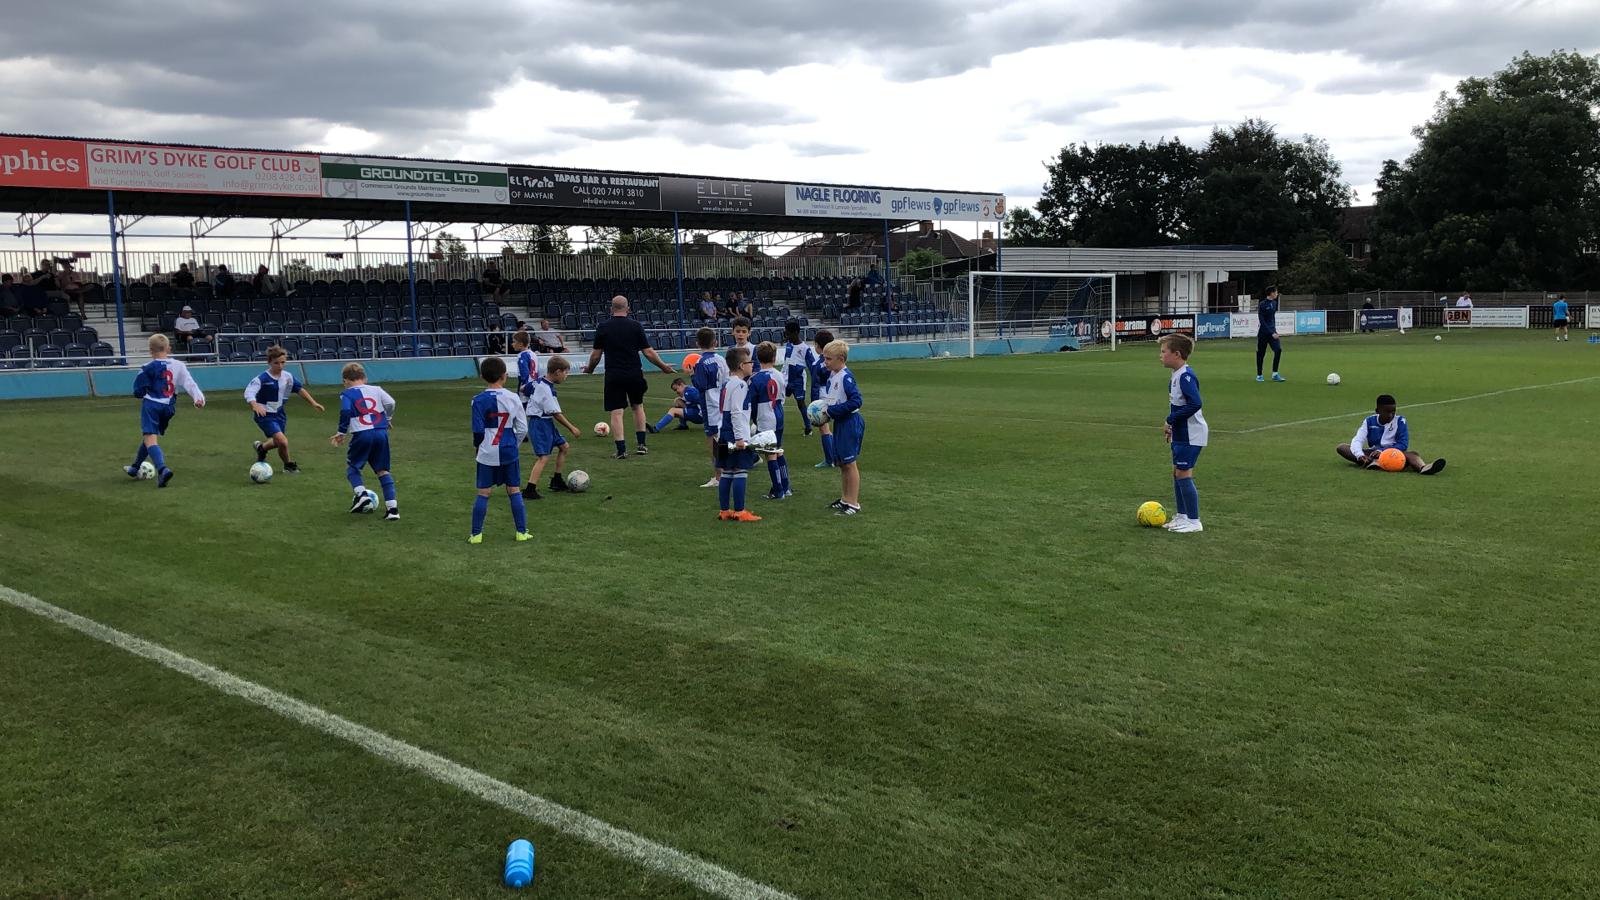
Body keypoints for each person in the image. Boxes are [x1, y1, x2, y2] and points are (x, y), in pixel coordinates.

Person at [584, 295, 676, 460]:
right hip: (634, 373)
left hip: (614, 374)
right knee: (637, 406)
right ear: (628, 309)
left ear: (611, 309)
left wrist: (590, 369)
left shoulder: (603, 327)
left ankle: (621, 450)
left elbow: (596, 355)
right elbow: (648, 352)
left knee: (617, 412)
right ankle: (641, 445)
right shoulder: (635, 326)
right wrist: (663, 367)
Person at [125, 333, 206, 488]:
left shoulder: (146, 369)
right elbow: (189, 383)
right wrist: (198, 398)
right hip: (168, 408)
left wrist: (144, 391)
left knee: (150, 439)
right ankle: (135, 467)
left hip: (152, 405)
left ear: (150, 350)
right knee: (150, 438)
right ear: (168, 348)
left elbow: (137, 392)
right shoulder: (179, 365)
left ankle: (162, 469)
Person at [468, 356, 530, 544]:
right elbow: (523, 428)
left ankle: (476, 535)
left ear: (482, 377)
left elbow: (477, 430)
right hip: (508, 449)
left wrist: (478, 447)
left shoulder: (477, 400)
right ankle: (521, 532)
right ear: (505, 376)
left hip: (487, 451)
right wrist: (515, 444)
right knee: (514, 489)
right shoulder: (513, 397)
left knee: (483, 492)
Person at [330, 362, 399, 519]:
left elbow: (346, 410)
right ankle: (393, 510)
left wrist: (341, 432)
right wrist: (387, 418)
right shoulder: (377, 389)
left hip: (362, 434)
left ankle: (362, 495)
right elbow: (391, 402)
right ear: (364, 378)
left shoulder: (347, 394)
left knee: (353, 467)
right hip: (381, 433)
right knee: (383, 470)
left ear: (345, 380)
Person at [248, 345, 325, 474]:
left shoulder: (287, 376)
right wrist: (255, 405)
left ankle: (261, 448)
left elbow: (299, 389)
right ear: (269, 362)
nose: (280, 366)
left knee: (279, 441)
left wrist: (313, 403)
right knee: (282, 441)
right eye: (276, 363)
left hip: (279, 414)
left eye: (283, 362)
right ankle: (288, 466)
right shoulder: (262, 378)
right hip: (264, 414)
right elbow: (249, 392)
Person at [1160, 333, 1207, 533]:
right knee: (1176, 473)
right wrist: (1172, 427)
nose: (1160, 356)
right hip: (1181, 433)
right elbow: (1176, 406)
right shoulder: (1176, 375)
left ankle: (1194, 521)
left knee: (1183, 474)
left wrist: (1170, 420)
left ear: (1176, 354)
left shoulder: (1186, 376)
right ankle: (1182, 516)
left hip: (1192, 434)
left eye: (1163, 352)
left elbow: (1196, 403)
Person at [1336, 394, 1446, 475]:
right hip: (1373, 453)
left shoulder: (1400, 421)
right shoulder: (1369, 421)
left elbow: (1403, 444)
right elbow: (1357, 440)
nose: (1391, 415)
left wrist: (1382, 452)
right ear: (1377, 411)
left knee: (1412, 454)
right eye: (1387, 412)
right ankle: (1372, 462)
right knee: (1342, 447)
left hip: (1394, 453)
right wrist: (1360, 455)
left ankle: (1424, 467)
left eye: (1393, 411)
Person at [523, 356, 582, 499]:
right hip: (540, 423)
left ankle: (556, 480)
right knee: (543, 457)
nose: (566, 376)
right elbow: (556, 413)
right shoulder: (545, 389)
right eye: (565, 373)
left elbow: (524, 388)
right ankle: (530, 489)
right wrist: (572, 428)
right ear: (557, 372)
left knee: (564, 447)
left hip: (545, 422)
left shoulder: (540, 382)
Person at [715, 346, 762, 522]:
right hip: (735, 433)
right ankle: (740, 511)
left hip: (724, 431)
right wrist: (740, 438)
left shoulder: (727, 383)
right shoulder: (740, 384)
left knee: (727, 471)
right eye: (750, 362)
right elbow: (736, 412)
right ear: (742, 365)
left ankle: (724, 510)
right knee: (740, 471)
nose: (752, 365)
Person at [819, 339, 865, 516]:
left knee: (850, 463)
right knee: (842, 464)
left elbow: (856, 401)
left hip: (850, 422)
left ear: (841, 359)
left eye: (829, 359)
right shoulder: (833, 376)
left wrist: (832, 411)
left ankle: (853, 503)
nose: (825, 362)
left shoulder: (846, 377)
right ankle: (845, 498)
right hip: (841, 422)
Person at [749, 341, 791, 500]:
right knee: (778, 450)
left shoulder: (755, 379)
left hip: (765, 419)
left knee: (770, 454)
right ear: (774, 358)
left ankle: (778, 490)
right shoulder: (780, 375)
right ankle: (786, 487)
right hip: (779, 415)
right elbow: (782, 396)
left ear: (758, 359)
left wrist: (754, 420)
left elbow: (752, 403)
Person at [690, 327, 730, 487]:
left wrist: (692, 376)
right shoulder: (721, 359)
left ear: (698, 343)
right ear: (715, 342)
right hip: (723, 402)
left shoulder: (700, 362)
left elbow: (701, 385)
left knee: (713, 440)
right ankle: (726, 472)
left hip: (710, 405)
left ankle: (719, 477)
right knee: (723, 438)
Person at [783, 320, 818, 437]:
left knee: (800, 403)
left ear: (797, 332)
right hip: (785, 378)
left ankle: (808, 428)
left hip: (798, 380)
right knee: (777, 401)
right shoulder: (788, 345)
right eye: (786, 334)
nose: (787, 337)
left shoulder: (804, 348)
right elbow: (786, 361)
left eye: (789, 334)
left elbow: (812, 365)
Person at [811, 329, 836, 467]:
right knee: (833, 428)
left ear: (818, 346)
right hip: (835, 395)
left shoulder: (817, 364)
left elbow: (815, 385)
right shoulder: (835, 361)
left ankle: (829, 459)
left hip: (822, 397)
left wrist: (813, 404)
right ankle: (835, 456)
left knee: (824, 429)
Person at [1255, 286, 1284, 383]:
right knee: (1261, 354)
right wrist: (1271, 332)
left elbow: (1272, 319)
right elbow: (1262, 321)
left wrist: (1274, 331)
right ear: (1271, 293)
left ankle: (1275, 374)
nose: (1277, 293)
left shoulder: (1275, 303)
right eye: (1276, 292)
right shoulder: (1262, 304)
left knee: (1278, 350)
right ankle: (1259, 375)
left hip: (1272, 333)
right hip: (1263, 333)